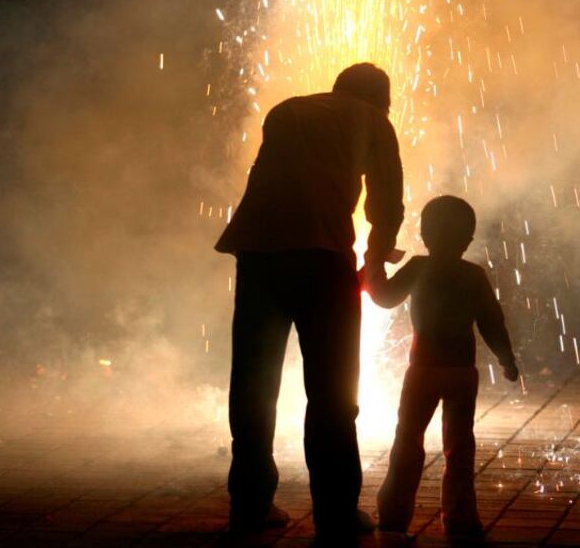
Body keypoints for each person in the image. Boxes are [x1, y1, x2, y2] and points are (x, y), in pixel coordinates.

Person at [215, 62, 404, 535]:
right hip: (323, 259)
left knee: (254, 386)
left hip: (259, 255)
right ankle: (336, 513)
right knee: (333, 392)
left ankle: (251, 505)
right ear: (380, 100)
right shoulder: (374, 120)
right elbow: (386, 205)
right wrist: (374, 263)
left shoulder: (288, 110)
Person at [363, 195, 518, 537]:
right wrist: (506, 358)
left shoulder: (419, 267)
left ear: (424, 234)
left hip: (422, 370)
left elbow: (385, 298)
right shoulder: (474, 275)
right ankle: (460, 518)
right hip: (462, 371)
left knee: (407, 439)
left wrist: (374, 267)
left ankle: (393, 515)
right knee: (459, 446)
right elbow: (492, 322)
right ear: (468, 239)